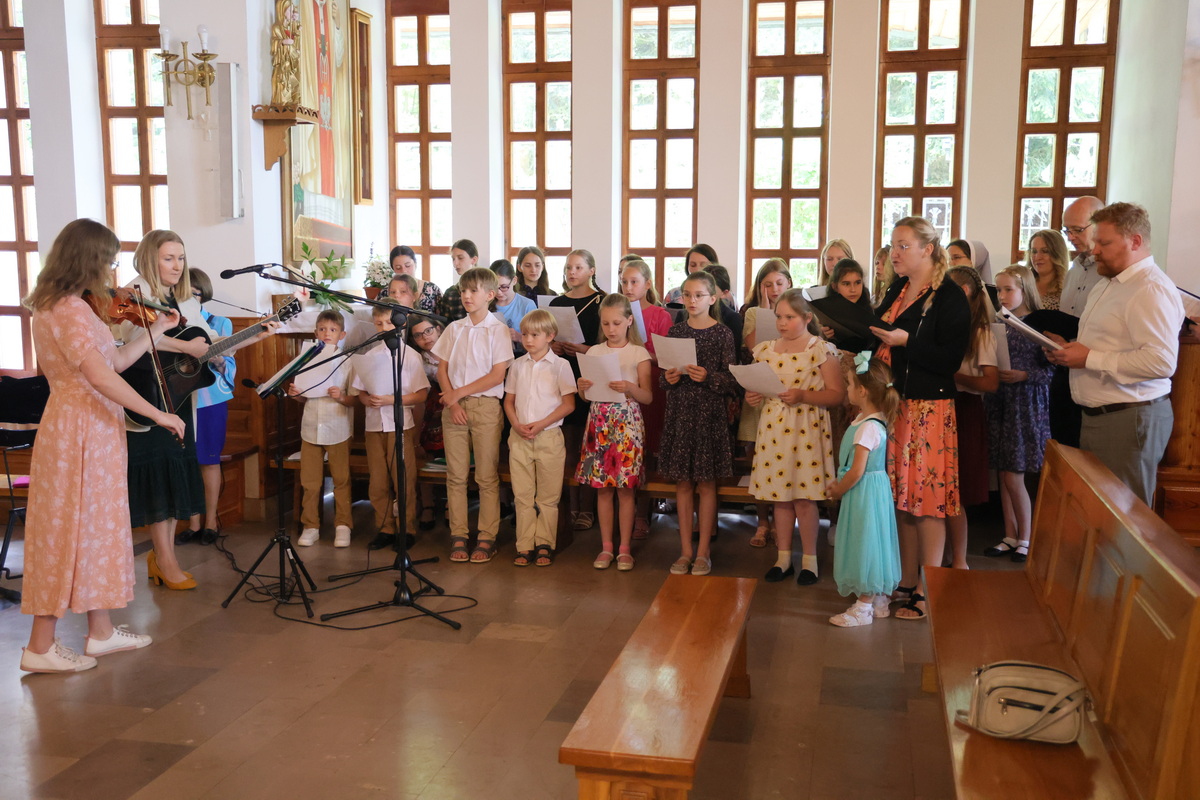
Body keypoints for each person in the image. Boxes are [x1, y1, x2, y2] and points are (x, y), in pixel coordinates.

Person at [20, 218, 186, 673]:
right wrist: (157, 414)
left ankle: (101, 632)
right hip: (79, 429)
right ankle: (40, 645)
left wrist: (154, 334)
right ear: (89, 258)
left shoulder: (66, 305)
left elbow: (113, 359)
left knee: (94, 527)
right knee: (66, 530)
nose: (113, 270)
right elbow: (98, 376)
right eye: (109, 260)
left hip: (90, 427)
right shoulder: (69, 309)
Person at [117, 230, 275, 591]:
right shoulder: (133, 292)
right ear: (149, 259)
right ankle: (166, 559)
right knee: (158, 476)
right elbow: (131, 339)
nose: (177, 265)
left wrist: (256, 334)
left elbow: (208, 345)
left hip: (179, 397)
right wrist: (184, 347)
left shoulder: (184, 300)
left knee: (174, 474)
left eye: (181, 258)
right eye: (169, 258)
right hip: (146, 397)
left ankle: (163, 557)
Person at [1046, 202, 1185, 505]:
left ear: (1135, 241)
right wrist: (1068, 348)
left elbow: (1161, 362)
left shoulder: (1149, 289)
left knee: (1127, 522)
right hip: (1101, 416)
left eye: (1104, 242)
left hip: (1129, 418)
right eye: (1095, 241)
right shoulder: (1109, 283)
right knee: (1101, 516)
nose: (1094, 250)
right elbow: (1106, 343)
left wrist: (1088, 358)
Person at [870, 216, 971, 621]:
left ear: (927, 249)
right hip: (898, 404)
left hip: (930, 407)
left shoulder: (949, 296)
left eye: (903, 246)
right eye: (892, 246)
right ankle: (906, 579)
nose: (894, 253)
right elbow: (876, 329)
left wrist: (908, 341)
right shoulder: (898, 287)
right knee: (902, 499)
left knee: (927, 501)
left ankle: (927, 590)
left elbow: (949, 359)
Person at [745, 289, 845, 586]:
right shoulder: (765, 350)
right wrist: (754, 396)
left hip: (807, 429)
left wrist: (803, 395)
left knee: (805, 498)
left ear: (807, 318)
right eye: (778, 316)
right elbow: (759, 388)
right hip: (774, 430)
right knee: (781, 498)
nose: (782, 323)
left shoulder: (820, 349)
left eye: (789, 317)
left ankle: (810, 561)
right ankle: (783, 558)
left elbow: (837, 395)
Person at [433, 267, 514, 562]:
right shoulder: (455, 328)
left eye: (473, 291)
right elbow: (442, 368)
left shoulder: (498, 329)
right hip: (454, 409)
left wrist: (459, 393)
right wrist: (453, 402)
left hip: (485, 408)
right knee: (455, 475)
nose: (466, 296)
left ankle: (486, 537)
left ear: (490, 296)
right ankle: (459, 535)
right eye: (463, 291)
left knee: (486, 476)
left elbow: (496, 375)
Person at [659, 271, 737, 576]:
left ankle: (703, 551)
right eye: (687, 295)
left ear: (713, 298)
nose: (691, 300)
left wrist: (710, 377)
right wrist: (668, 377)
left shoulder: (722, 334)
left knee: (706, 484)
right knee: (682, 483)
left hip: (709, 415)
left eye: (698, 295)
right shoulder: (675, 332)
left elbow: (732, 380)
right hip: (680, 412)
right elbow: (663, 379)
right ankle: (685, 551)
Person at [576, 294, 653, 571]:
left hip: (627, 425)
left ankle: (624, 549)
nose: (611, 329)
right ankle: (606, 547)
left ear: (629, 321)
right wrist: (582, 387)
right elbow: (586, 398)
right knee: (603, 490)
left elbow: (647, 397)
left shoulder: (638, 353)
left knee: (625, 489)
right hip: (599, 423)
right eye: (606, 323)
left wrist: (629, 387)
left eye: (617, 323)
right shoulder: (594, 352)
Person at [826, 356, 902, 627]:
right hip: (872, 490)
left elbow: (857, 470)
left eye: (849, 384)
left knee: (864, 542)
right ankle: (879, 599)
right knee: (874, 540)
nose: (846, 389)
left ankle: (864, 606)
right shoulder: (868, 418)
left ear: (863, 391)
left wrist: (838, 490)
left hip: (863, 492)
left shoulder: (868, 427)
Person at [984, 266, 1052, 562]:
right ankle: (1010, 535)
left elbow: (1053, 370)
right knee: (1003, 471)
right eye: (998, 290)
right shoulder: (999, 323)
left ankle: (1027, 536)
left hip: (1025, 402)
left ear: (1025, 290)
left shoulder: (1038, 324)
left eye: (1009, 289)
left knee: (1014, 475)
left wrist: (1024, 374)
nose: (1002, 295)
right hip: (1000, 399)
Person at [351, 301, 430, 550]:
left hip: (401, 425)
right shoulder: (369, 357)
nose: (384, 328)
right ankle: (385, 527)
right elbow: (359, 392)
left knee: (403, 479)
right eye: (379, 324)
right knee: (378, 481)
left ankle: (406, 529)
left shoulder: (411, 356)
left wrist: (391, 399)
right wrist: (368, 400)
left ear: (400, 324)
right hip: (374, 427)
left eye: (388, 323)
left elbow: (421, 394)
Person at [505, 309, 576, 567]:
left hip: (548, 437)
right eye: (524, 334)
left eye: (535, 334)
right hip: (520, 436)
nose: (528, 339)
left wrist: (541, 424)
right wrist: (516, 424)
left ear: (550, 336)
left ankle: (544, 543)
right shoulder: (517, 365)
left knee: (547, 496)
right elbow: (509, 400)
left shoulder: (561, 366)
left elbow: (568, 404)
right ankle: (524, 545)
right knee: (522, 495)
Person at [287, 310, 356, 548]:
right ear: (316, 332)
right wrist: (295, 395)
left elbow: (354, 399)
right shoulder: (306, 359)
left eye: (333, 330)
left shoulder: (347, 361)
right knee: (311, 481)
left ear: (342, 334)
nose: (327, 333)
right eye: (323, 329)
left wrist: (341, 397)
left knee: (341, 478)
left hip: (337, 426)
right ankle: (311, 526)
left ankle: (343, 525)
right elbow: (304, 398)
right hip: (310, 427)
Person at [945, 266, 998, 569]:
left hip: (965, 409)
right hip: (942, 406)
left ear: (963, 292)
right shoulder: (947, 325)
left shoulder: (981, 332)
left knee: (957, 490)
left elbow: (990, 383)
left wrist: (953, 375)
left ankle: (960, 559)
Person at [550, 250, 606, 531]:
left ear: (591, 271)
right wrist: (554, 346)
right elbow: (548, 337)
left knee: (590, 447)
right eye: (568, 267)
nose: (572, 272)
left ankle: (588, 508)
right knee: (567, 446)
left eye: (578, 267)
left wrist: (584, 350)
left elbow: (611, 344)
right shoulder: (557, 303)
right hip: (563, 375)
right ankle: (571, 506)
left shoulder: (602, 301)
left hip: (591, 377)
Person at [739, 260, 793, 548]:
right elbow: (752, 347)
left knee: (785, 455)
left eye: (779, 284)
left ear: (789, 284)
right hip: (759, 388)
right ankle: (762, 522)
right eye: (768, 284)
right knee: (757, 458)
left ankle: (785, 518)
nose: (774, 289)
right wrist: (763, 309)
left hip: (786, 390)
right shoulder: (751, 313)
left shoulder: (798, 312)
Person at [179, 267, 235, 546]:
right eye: (184, 295)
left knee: (208, 461)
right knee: (186, 462)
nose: (190, 299)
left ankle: (211, 520)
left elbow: (230, 365)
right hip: (179, 402)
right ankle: (192, 522)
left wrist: (219, 360)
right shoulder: (171, 324)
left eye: (195, 295)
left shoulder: (221, 323)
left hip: (210, 401)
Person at [619, 258, 673, 538]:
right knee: (627, 448)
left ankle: (644, 512)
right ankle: (626, 510)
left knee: (648, 446)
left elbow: (664, 357)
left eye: (634, 282)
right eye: (624, 281)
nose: (628, 287)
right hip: (622, 386)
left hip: (650, 382)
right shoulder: (618, 311)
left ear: (647, 284)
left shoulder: (660, 315)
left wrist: (641, 354)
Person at [408, 317, 445, 529]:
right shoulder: (417, 358)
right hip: (427, 408)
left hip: (452, 404)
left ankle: (450, 505)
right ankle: (429, 504)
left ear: (438, 329)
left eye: (429, 331)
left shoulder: (454, 350)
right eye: (418, 335)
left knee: (454, 454)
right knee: (425, 453)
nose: (425, 337)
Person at [1059, 196, 1106, 316]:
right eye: (1067, 230)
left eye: (1077, 229)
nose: (1070, 237)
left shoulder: (1111, 271)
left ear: (1099, 225)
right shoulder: (1075, 269)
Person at [490, 259, 535, 354]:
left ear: (514, 281)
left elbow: (539, 342)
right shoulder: (486, 304)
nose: (499, 292)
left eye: (504, 287)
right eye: (494, 287)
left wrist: (519, 337)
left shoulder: (527, 305)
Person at [387, 245, 441, 314]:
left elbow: (443, 320)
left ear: (415, 264)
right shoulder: (386, 291)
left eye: (408, 266)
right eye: (398, 267)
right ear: (393, 268)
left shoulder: (432, 290)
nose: (404, 271)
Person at [436, 238, 479, 323]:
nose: (455, 263)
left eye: (460, 258)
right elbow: (445, 325)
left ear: (474, 260)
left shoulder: (486, 288)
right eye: (453, 259)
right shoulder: (451, 292)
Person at [1027, 229, 1069, 311]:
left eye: (1045, 251)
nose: (1038, 257)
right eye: (1034, 251)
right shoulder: (1022, 284)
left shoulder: (1067, 288)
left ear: (1057, 254)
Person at [702, 263, 744, 339]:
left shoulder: (732, 318)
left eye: (711, 289)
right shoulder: (684, 314)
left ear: (724, 293)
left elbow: (734, 350)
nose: (704, 292)